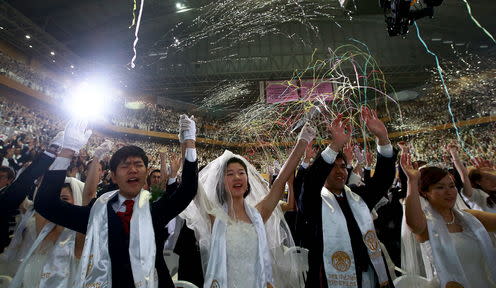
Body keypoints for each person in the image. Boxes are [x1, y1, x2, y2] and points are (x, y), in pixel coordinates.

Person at [34, 116, 198, 288]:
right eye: (125, 166)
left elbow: (187, 190)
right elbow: (46, 204)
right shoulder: (96, 214)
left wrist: (189, 142)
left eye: (138, 165)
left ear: (146, 172)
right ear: (113, 176)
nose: (133, 169)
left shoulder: (157, 210)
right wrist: (68, 150)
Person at [181, 123, 315, 288]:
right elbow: (193, 187)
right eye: (230, 174)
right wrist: (188, 141)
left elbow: (280, 181)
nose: (237, 177)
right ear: (222, 183)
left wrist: (303, 141)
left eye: (241, 172)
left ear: (247, 181)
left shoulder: (258, 214)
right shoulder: (215, 216)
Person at [299, 108, 398, 288]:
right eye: (333, 167)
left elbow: (383, 180)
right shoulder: (313, 201)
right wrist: (334, 145)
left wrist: (383, 139)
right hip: (329, 278)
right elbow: (311, 181)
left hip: (370, 275)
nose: (340, 171)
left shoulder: (358, 197)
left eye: (343, 166)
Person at [401, 149, 496, 287]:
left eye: (452, 186)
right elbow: (414, 224)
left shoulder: (469, 218)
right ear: (425, 192)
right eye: (440, 187)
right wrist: (412, 181)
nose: (449, 192)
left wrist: (492, 174)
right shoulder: (427, 224)